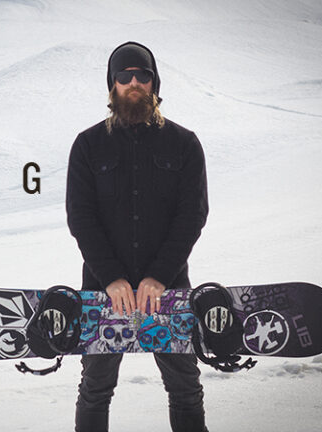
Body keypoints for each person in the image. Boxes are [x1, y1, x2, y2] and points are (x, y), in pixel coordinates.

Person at [65, 41, 210, 432]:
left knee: (185, 387)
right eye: (124, 75)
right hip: (102, 291)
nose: (133, 83)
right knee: (95, 388)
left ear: (154, 83)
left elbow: (192, 216)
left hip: (168, 290)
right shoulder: (88, 145)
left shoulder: (184, 143)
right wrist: (111, 277)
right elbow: (81, 217)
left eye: (142, 75)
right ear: (112, 84)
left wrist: (159, 276)